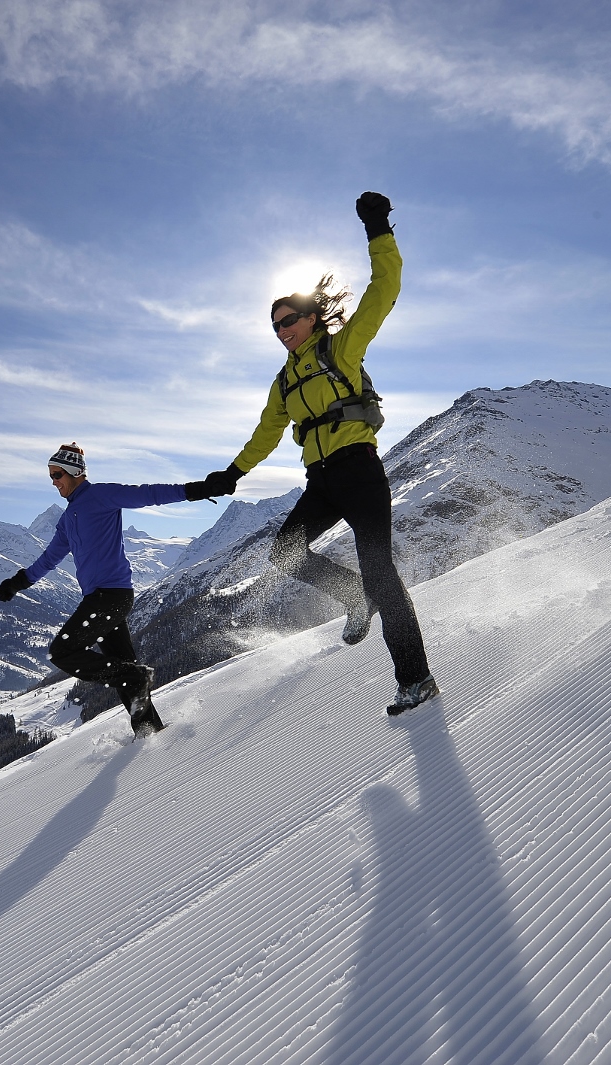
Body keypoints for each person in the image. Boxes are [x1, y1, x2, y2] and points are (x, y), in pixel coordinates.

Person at [195, 191, 439, 716]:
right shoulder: (283, 382)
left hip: (358, 470)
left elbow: (385, 288)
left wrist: (379, 229)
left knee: (380, 570)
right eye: (275, 326)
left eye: (288, 321)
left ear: (310, 318)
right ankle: (355, 597)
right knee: (285, 551)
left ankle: (415, 679)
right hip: (321, 481)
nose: (282, 332)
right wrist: (231, 474)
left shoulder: (341, 348)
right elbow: (265, 432)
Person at [0, 443, 221, 736]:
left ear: (75, 472)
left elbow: (147, 494)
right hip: (100, 599)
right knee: (123, 666)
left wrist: (196, 490)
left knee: (62, 652)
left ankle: (134, 677)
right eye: (51, 476)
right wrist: (19, 581)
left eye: (57, 474)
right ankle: (149, 730)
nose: (54, 482)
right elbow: (50, 557)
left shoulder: (100, 495)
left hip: (110, 597)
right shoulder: (68, 519)